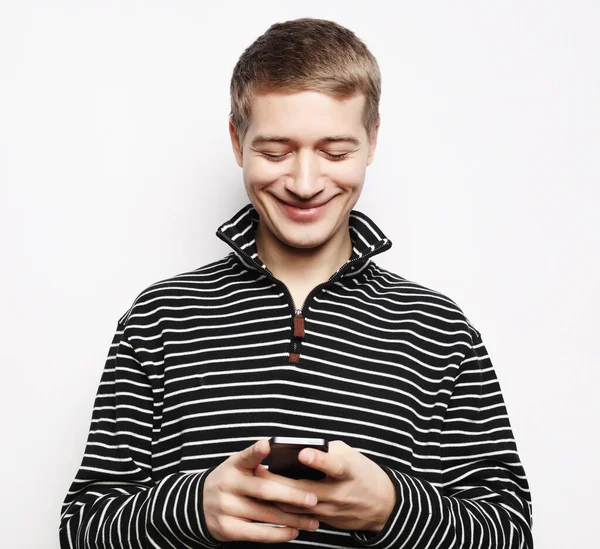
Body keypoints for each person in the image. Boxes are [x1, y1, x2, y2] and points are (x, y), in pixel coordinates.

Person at [59, 17, 533, 549]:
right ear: (237, 142)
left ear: (372, 141)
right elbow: (81, 528)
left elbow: (512, 534)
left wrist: (392, 510)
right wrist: (192, 510)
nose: (305, 184)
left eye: (335, 152)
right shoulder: (160, 317)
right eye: (275, 151)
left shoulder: (440, 330)